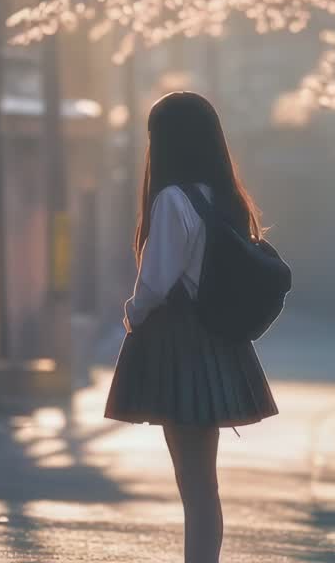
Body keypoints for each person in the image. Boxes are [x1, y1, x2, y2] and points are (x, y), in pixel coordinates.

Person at [105, 91, 279, 563]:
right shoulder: (225, 200)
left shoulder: (172, 201)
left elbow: (156, 281)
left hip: (179, 346)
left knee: (193, 481)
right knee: (205, 481)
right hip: (218, 346)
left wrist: (131, 316)